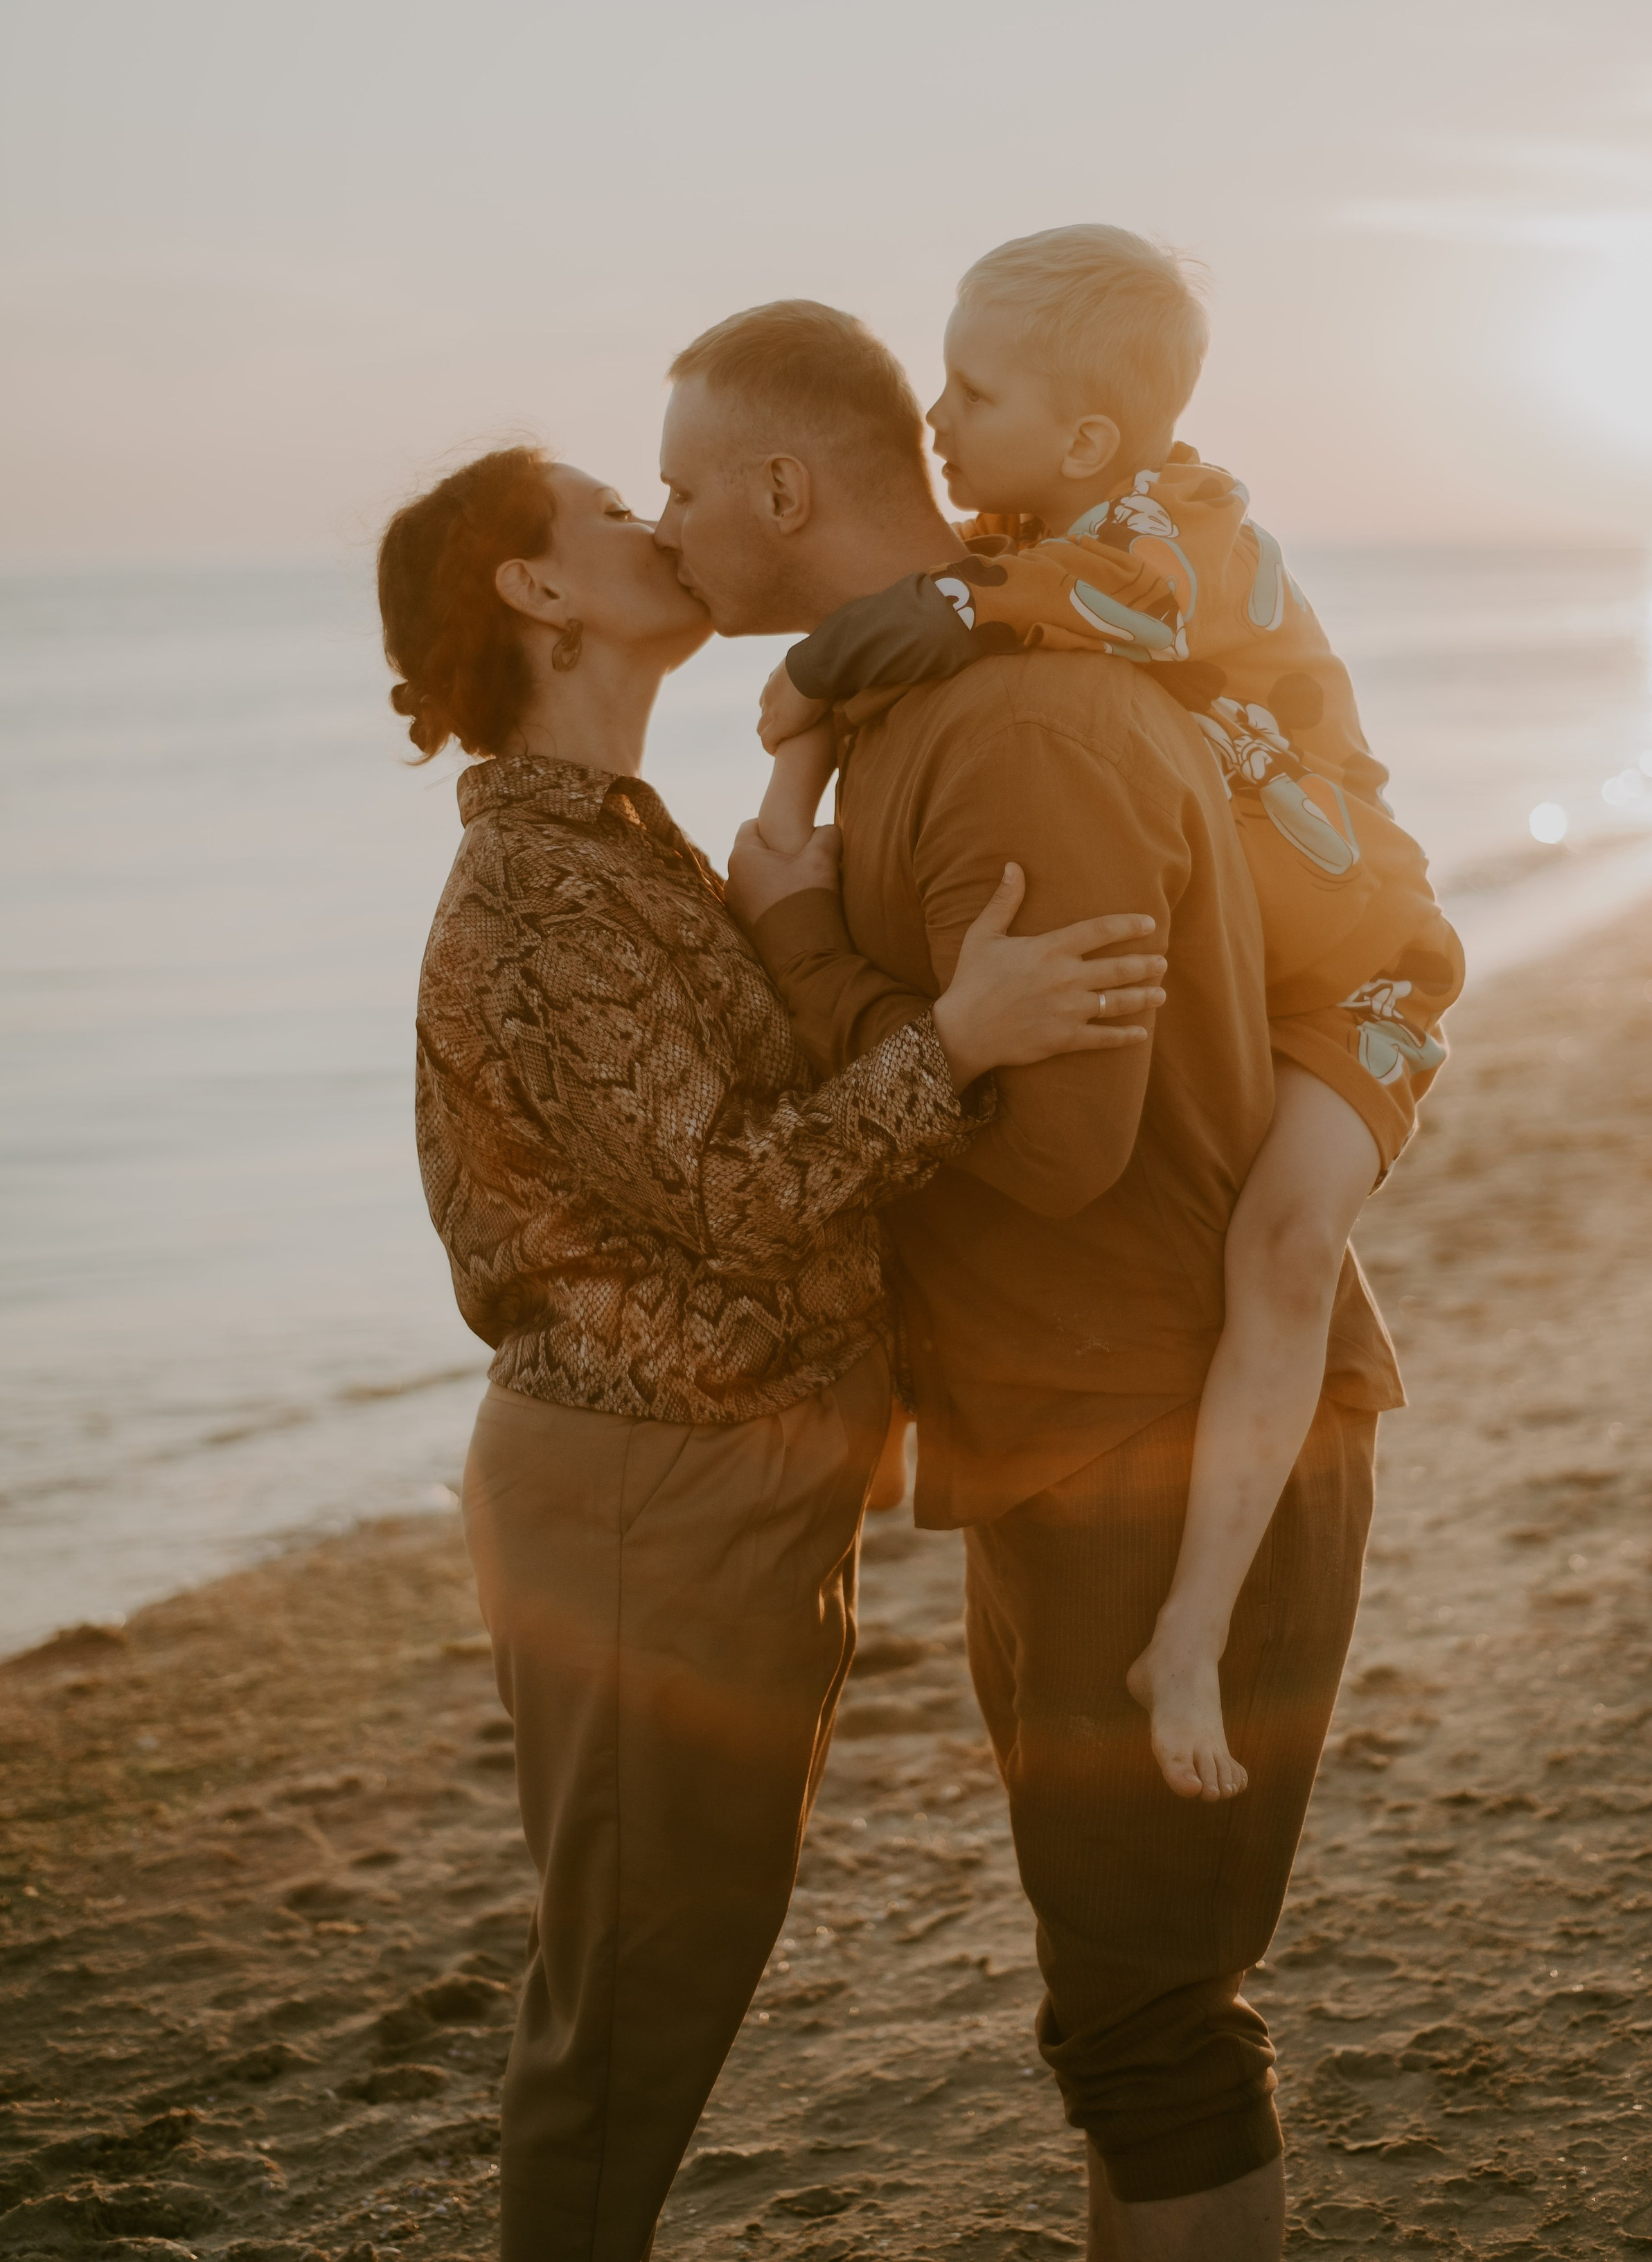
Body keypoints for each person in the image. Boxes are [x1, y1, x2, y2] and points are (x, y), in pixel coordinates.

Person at [657, 299, 1406, 2262]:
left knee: (1151, 2028)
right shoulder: (930, 693)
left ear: (781, 488)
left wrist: (800, 943)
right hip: (1071, 1429)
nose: (664, 528)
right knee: (1118, 2017)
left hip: (1159, 1445)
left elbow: (1060, 1146)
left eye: (679, 488)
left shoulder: (1022, 724)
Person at [376, 444, 1169, 2262]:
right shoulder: (537, 890)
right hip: (648, 1499)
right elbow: (742, 1193)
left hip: (724, 1483)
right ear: (537, 593)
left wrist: (803, 763)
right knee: (630, 2011)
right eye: (609, 507)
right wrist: (961, 1038)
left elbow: (745, 1116)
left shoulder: (617, 841)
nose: (656, 523)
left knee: (677, 1961)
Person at [749, 224, 1464, 1803]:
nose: (935, 418)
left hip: (1365, 974)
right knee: (1254, 1241)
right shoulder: (1029, 534)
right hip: (1265, 967)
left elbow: (988, 613)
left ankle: (1191, 1630)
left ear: (1084, 437)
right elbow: (949, 603)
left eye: (970, 391)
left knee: (1283, 1250)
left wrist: (829, 661)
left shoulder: (1178, 541)